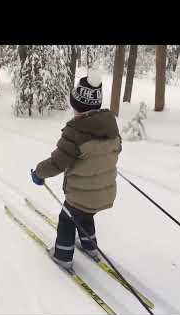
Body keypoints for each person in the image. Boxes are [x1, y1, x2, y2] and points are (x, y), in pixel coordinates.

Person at [30, 71, 122, 270]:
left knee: (67, 218)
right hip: (105, 193)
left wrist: (38, 173)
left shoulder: (76, 132)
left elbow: (57, 163)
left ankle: (63, 256)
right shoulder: (111, 127)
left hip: (81, 195)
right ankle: (90, 246)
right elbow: (113, 151)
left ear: (77, 106)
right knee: (86, 214)